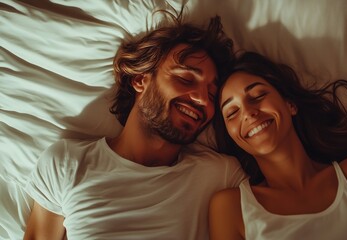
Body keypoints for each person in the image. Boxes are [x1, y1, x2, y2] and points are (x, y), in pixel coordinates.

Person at [23, 9, 246, 240]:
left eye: (212, 93)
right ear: (140, 79)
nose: (202, 99)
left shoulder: (221, 176)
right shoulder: (67, 164)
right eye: (185, 79)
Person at [209, 51, 347, 240]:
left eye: (258, 95)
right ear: (232, 135)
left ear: (290, 105)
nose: (247, 112)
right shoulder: (230, 209)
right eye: (232, 113)